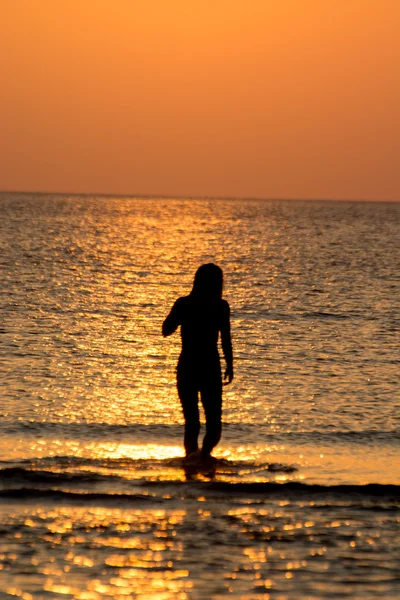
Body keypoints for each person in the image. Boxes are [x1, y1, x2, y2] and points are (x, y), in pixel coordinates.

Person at [162, 264, 233, 461]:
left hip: (188, 366)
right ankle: (203, 457)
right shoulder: (220, 306)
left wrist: (178, 317)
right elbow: (226, 339)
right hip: (210, 366)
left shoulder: (184, 304)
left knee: (192, 421)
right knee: (213, 423)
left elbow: (166, 330)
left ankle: (194, 460)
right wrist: (230, 365)